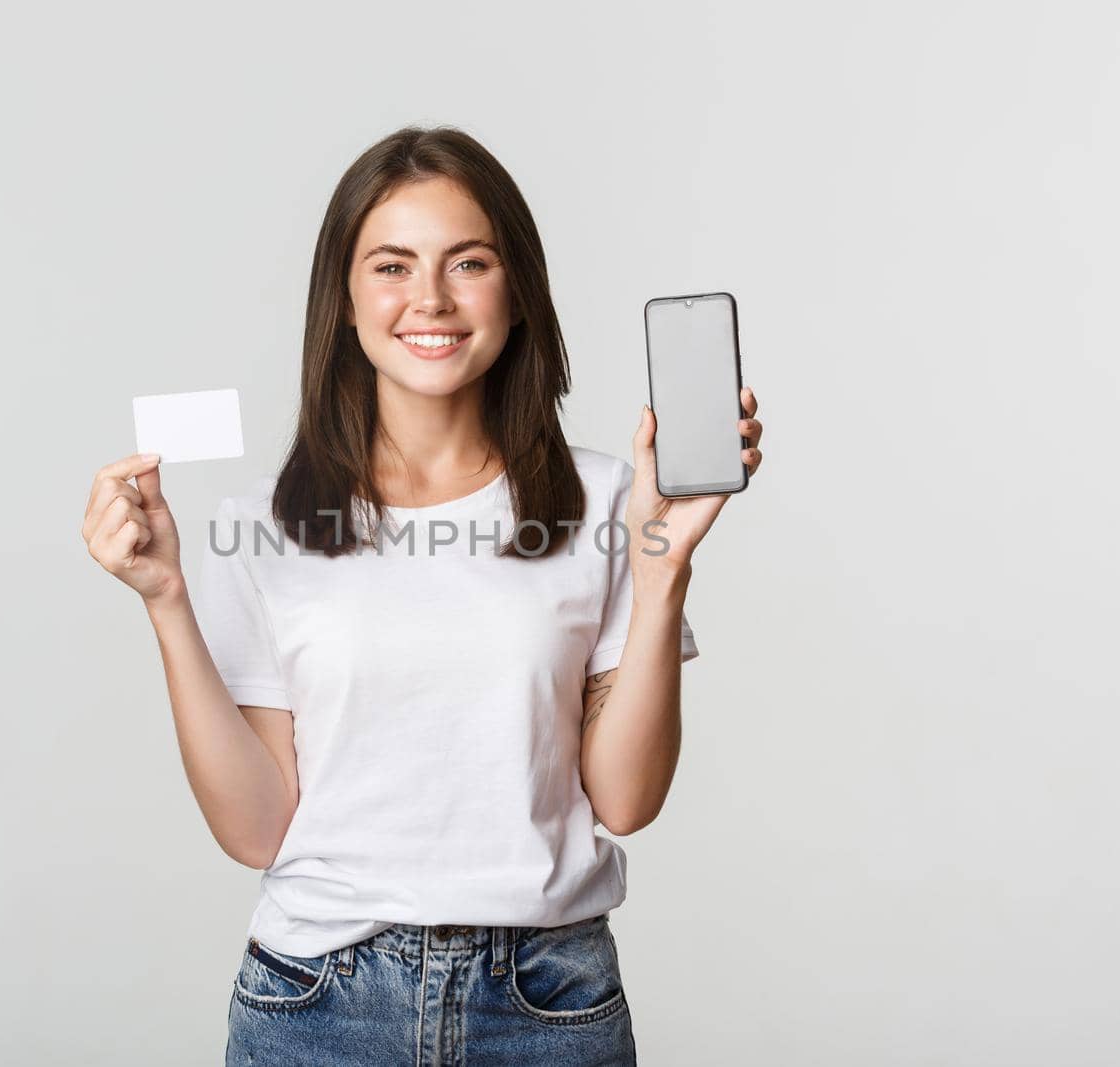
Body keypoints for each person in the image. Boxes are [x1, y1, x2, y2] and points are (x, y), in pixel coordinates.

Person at [81, 125, 765, 1066]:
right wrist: (166, 598)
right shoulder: (265, 523)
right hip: (318, 1004)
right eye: (392, 266)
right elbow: (253, 829)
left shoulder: (612, 501)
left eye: (468, 262)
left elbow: (627, 797)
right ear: (346, 298)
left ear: (516, 289)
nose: (431, 300)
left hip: (548, 1001)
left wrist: (662, 572)